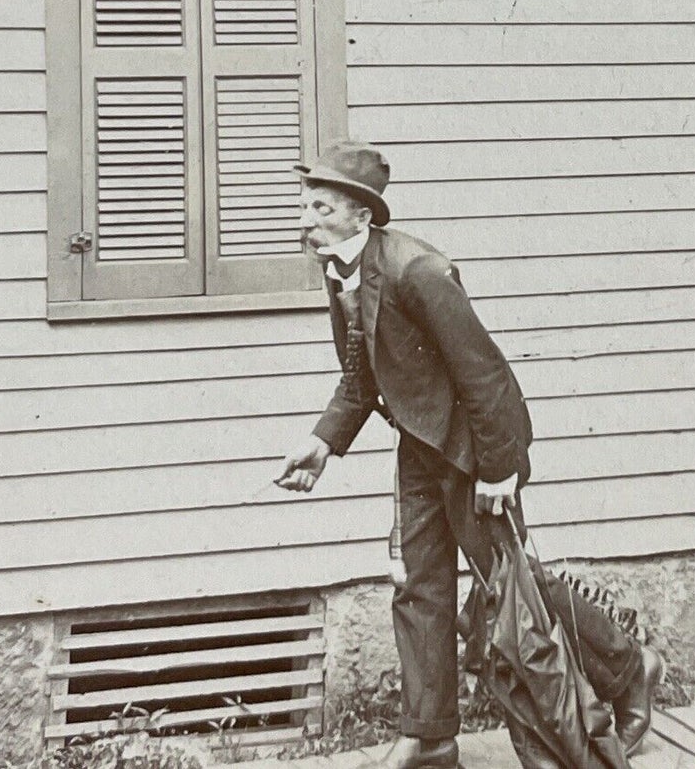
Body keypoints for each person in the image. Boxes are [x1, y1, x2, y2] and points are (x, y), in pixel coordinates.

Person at [279, 142, 662, 769]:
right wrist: (322, 442)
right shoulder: (339, 268)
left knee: (509, 589)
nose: (305, 220)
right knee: (417, 585)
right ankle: (430, 735)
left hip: (472, 450)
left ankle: (628, 665)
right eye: (303, 205)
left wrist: (499, 469)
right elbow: (361, 374)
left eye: (320, 207)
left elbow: (486, 376)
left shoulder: (417, 271)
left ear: (362, 216)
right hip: (419, 447)